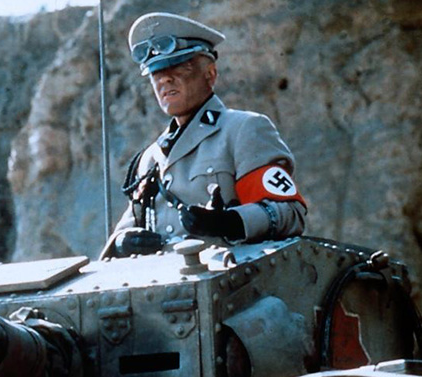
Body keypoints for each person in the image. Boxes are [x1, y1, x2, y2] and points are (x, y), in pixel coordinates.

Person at [102, 12, 307, 258]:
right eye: (155, 72)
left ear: (210, 74)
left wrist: (229, 222)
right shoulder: (150, 159)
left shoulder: (243, 130)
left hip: (230, 275)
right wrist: (123, 242)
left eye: (178, 66)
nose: (164, 78)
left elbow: (289, 214)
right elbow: (126, 229)